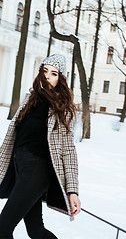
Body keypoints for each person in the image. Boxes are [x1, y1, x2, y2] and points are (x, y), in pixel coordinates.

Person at [0, 54, 81, 239]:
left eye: (53, 73)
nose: (47, 76)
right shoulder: (30, 100)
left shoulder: (61, 108)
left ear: (60, 79)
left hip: (36, 171)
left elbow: (68, 152)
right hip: (22, 169)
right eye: (45, 71)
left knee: (2, 228)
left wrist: (72, 190)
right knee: (36, 230)